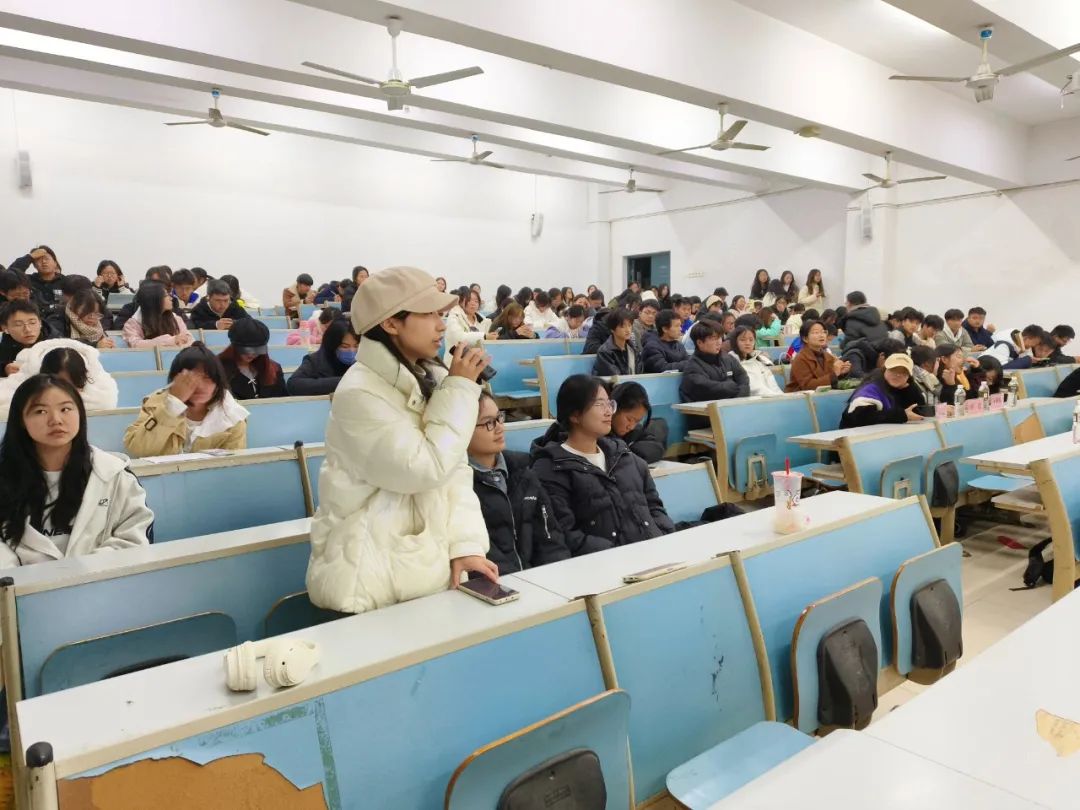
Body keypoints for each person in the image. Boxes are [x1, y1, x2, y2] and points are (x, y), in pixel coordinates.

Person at [305, 266, 498, 615]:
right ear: (391, 323)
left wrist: (465, 545)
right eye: (429, 314)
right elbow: (424, 469)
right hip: (367, 581)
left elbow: (455, 471)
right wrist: (460, 388)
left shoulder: (433, 376)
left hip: (427, 570)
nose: (441, 325)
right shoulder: (359, 393)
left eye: (441, 314)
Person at [0, 374, 153, 565]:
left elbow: (134, 539)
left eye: (65, 409)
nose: (56, 420)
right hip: (20, 583)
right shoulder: (5, 478)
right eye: (40, 411)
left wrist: (78, 574)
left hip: (102, 579)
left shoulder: (115, 475)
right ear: (21, 420)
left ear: (80, 413)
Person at [531, 375, 674, 554]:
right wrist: (621, 556)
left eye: (609, 404)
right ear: (575, 414)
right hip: (607, 563)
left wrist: (664, 538)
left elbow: (655, 507)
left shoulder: (624, 456)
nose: (609, 412)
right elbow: (565, 535)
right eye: (599, 404)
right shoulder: (551, 469)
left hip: (655, 556)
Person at [467, 392, 571, 575]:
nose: (499, 428)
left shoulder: (523, 471)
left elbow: (550, 538)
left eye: (499, 418)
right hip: (496, 582)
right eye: (488, 423)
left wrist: (559, 576)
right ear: (463, 430)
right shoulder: (460, 485)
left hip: (538, 580)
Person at [124, 343, 249, 457]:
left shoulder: (232, 415)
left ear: (218, 381)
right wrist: (173, 405)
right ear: (176, 380)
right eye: (190, 378)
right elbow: (138, 450)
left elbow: (233, 465)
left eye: (207, 378)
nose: (199, 386)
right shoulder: (155, 403)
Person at [0, 340, 119, 414]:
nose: (66, 391)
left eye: (72, 384)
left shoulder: (99, 383)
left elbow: (104, 403)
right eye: (59, 384)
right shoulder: (25, 381)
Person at [839, 354, 925, 429]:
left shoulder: (903, 388)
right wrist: (901, 415)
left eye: (904, 373)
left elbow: (919, 410)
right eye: (893, 370)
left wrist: (910, 389)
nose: (898, 375)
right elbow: (860, 416)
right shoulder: (871, 389)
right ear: (884, 370)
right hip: (853, 437)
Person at [680, 320, 750, 405]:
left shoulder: (728, 358)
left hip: (733, 407)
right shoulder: (692, 367)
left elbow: (743, 379)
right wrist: (731, 386)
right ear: (699, 343)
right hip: (707, 411)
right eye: (714, 338)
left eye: (720, 337)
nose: (719, 342)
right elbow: (709, 389)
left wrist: (738, 399)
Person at [286, 318, 358, 396]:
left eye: (356, 346)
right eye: (344, 346)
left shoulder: (362, 362)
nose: (352, 351)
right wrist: (343, 381)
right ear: (332, 345)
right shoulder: (316, 361)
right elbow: (294, 384)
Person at [217, 320, 288, 400]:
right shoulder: (217, 368)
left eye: (257, 349)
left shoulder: (274, 369)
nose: (251, 353)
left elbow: (283, 400)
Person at [609, 381, 668, 464]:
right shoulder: (598, 434)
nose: (631, 427)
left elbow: (656, 447)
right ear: (613, 408)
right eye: (629, 419)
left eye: (637, 421)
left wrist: (628, 453)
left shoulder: (634, 432)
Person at [122, 282, 193, 349]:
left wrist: (180, 344)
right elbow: (135, 345)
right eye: (166, 295)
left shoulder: (175, 318)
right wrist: (170, 341)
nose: (171, 298)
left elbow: (189, 339)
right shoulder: (133, 323)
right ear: (154, 300)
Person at [787, 319, 849, 392]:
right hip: (799, 397)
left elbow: (830, 378)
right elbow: (808, 386)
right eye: (816, 332)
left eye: (823, 332)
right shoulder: (800, 359)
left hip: (822, 395)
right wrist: (834, 374)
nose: (821, 335)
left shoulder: (828, 356)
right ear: (805, 338)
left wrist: (841, 372)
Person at [1, 301, 54, 377]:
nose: (28, 329)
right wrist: (4, 369)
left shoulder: (56, 343)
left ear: (40, 323)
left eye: (32, 323)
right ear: (5, 328)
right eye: (18, 324)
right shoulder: (3, 343)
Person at [731, 325, 784, 397]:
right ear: (735, 342)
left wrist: (781, 397)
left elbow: (773, 384)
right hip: (753, 401)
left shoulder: (759, 360)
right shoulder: (732, 362)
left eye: (751, 340)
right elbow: (755, 389)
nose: (747, 343)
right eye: (743, 340)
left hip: (771, 399)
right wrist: (776, 397)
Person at [444, 288, 494, 357]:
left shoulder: (484, 321)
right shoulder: (454, 317)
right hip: (455, 360)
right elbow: (459, 337)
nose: (473, 303)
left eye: (476, 301)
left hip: (477, 360)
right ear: (461, 302)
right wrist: (484, 336)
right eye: (469, 300)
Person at [593, 309, 640, 376]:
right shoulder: (604, 352)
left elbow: (639, 373)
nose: (628, 330)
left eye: (629, 325)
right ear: (612, 329)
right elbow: (615, 377)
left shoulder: (633, 348)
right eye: (622, 326)